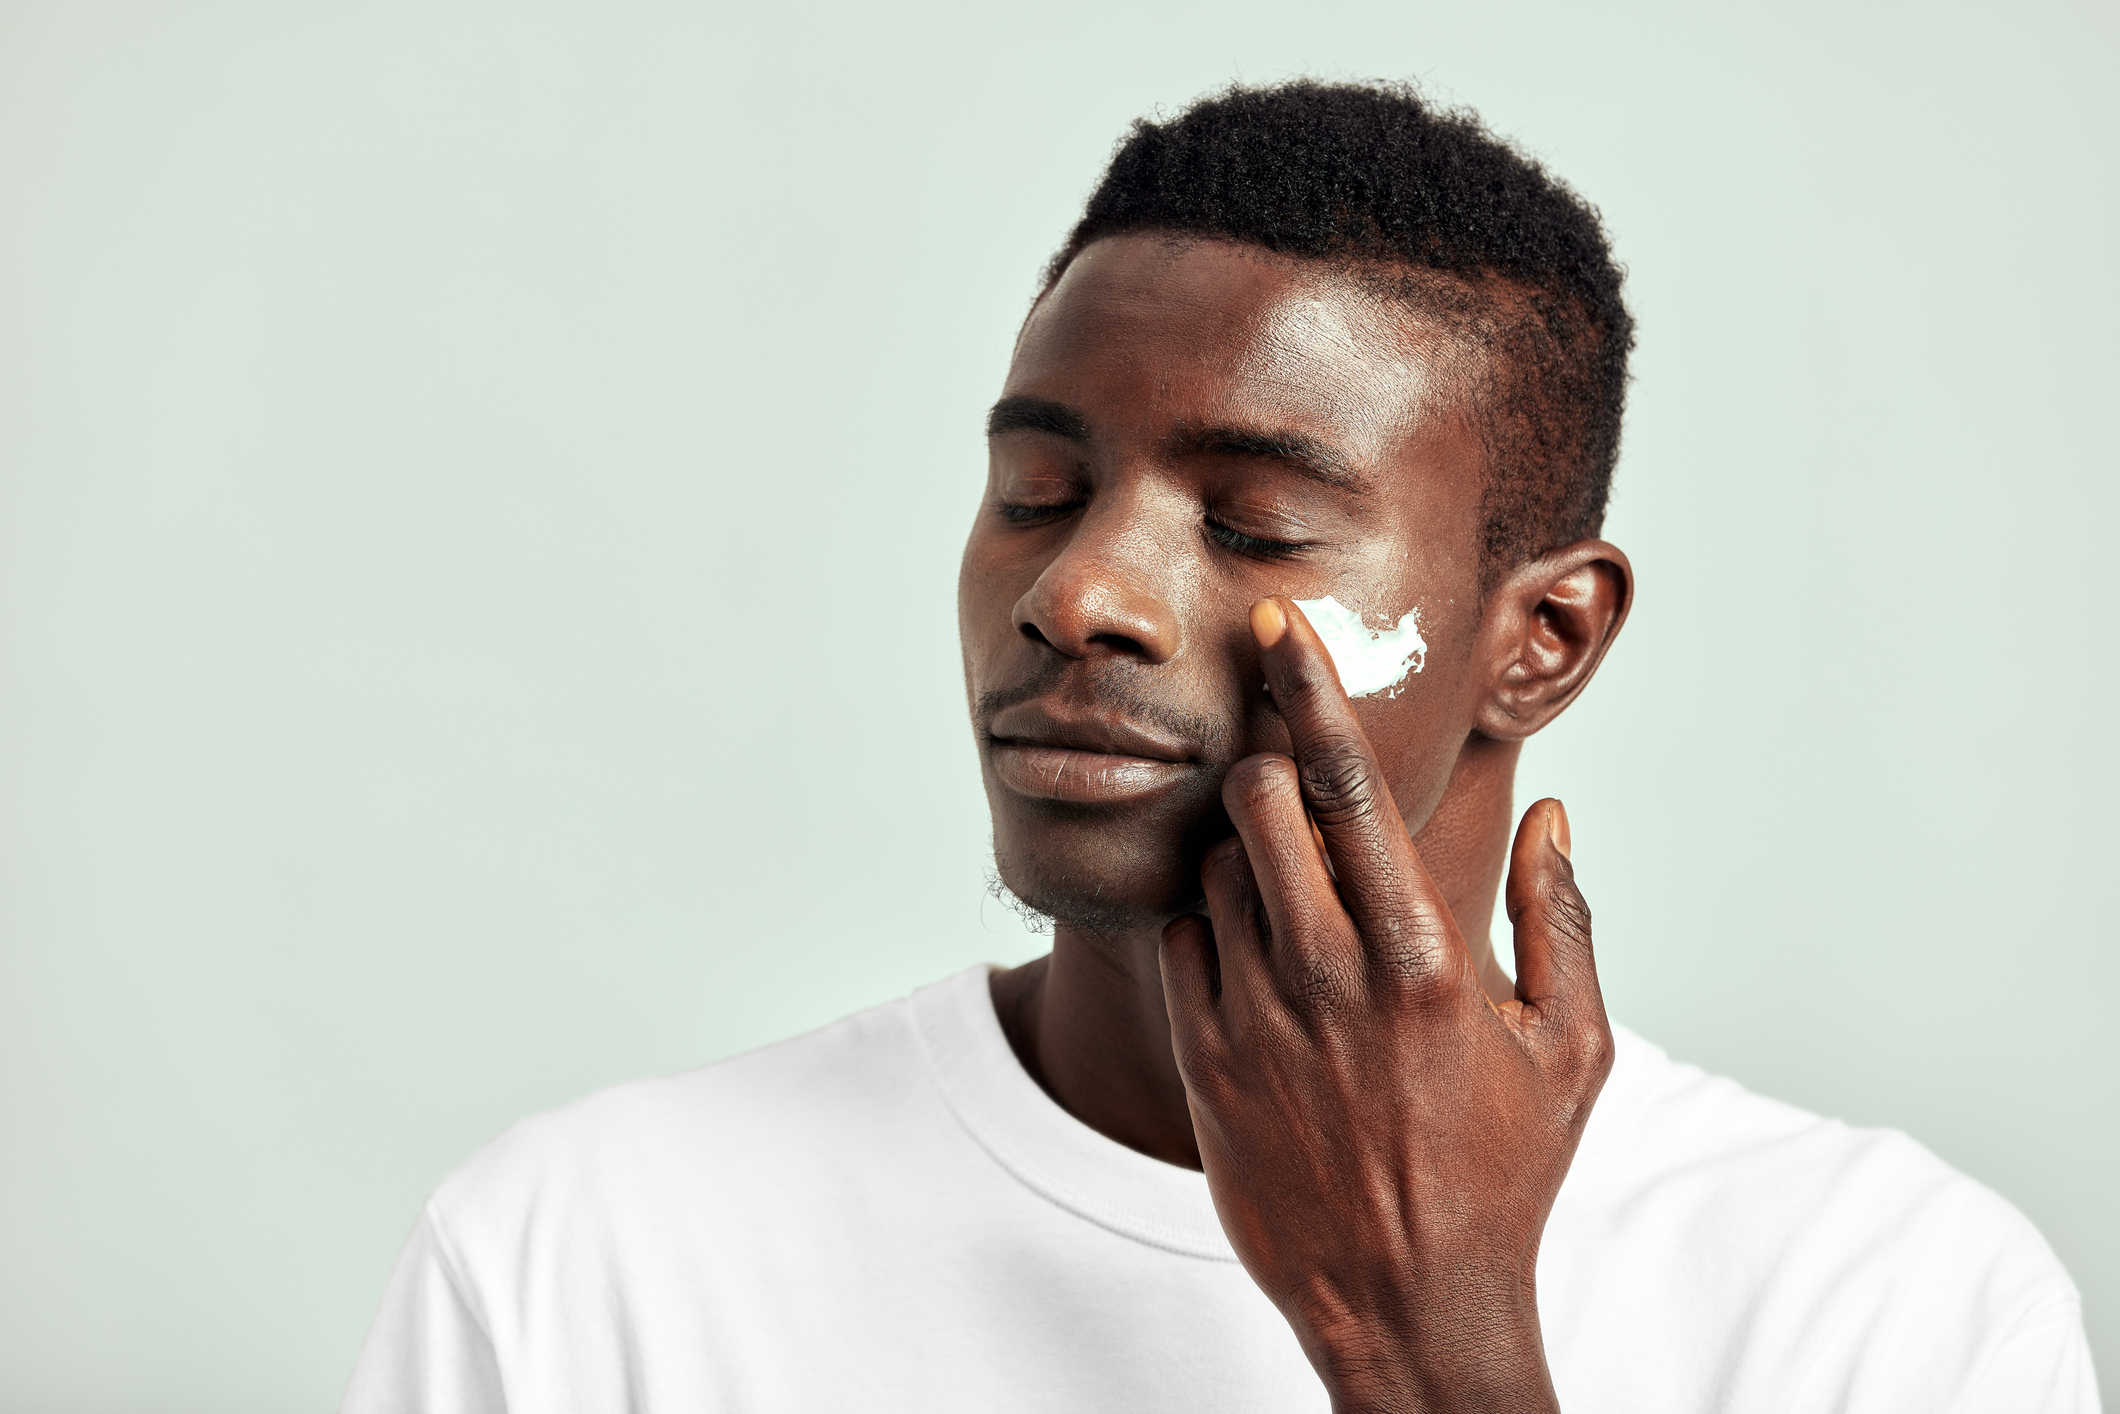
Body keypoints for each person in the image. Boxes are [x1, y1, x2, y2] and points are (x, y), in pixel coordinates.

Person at [342, 80, 2097, 1413]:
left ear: (1540, 639)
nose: (1078, 589)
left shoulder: (1887, 1303)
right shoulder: (582, 1257)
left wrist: (1431, 1338)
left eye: (1255, 525)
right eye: (1037, 490)